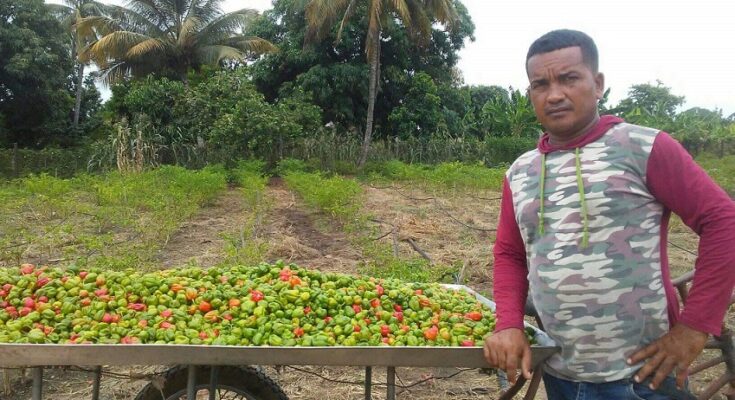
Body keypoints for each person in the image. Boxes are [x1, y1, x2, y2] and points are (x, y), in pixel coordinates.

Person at [483, 29, 735, 400]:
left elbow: (723, 221)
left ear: (597, 83)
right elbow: (509, 253)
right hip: (561, 373)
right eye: (540, 84)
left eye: (569, 78)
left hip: (644, 376)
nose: (554, 94)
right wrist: (508, 323)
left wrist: (696, 326)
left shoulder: (642, 147)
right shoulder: (520, 172)